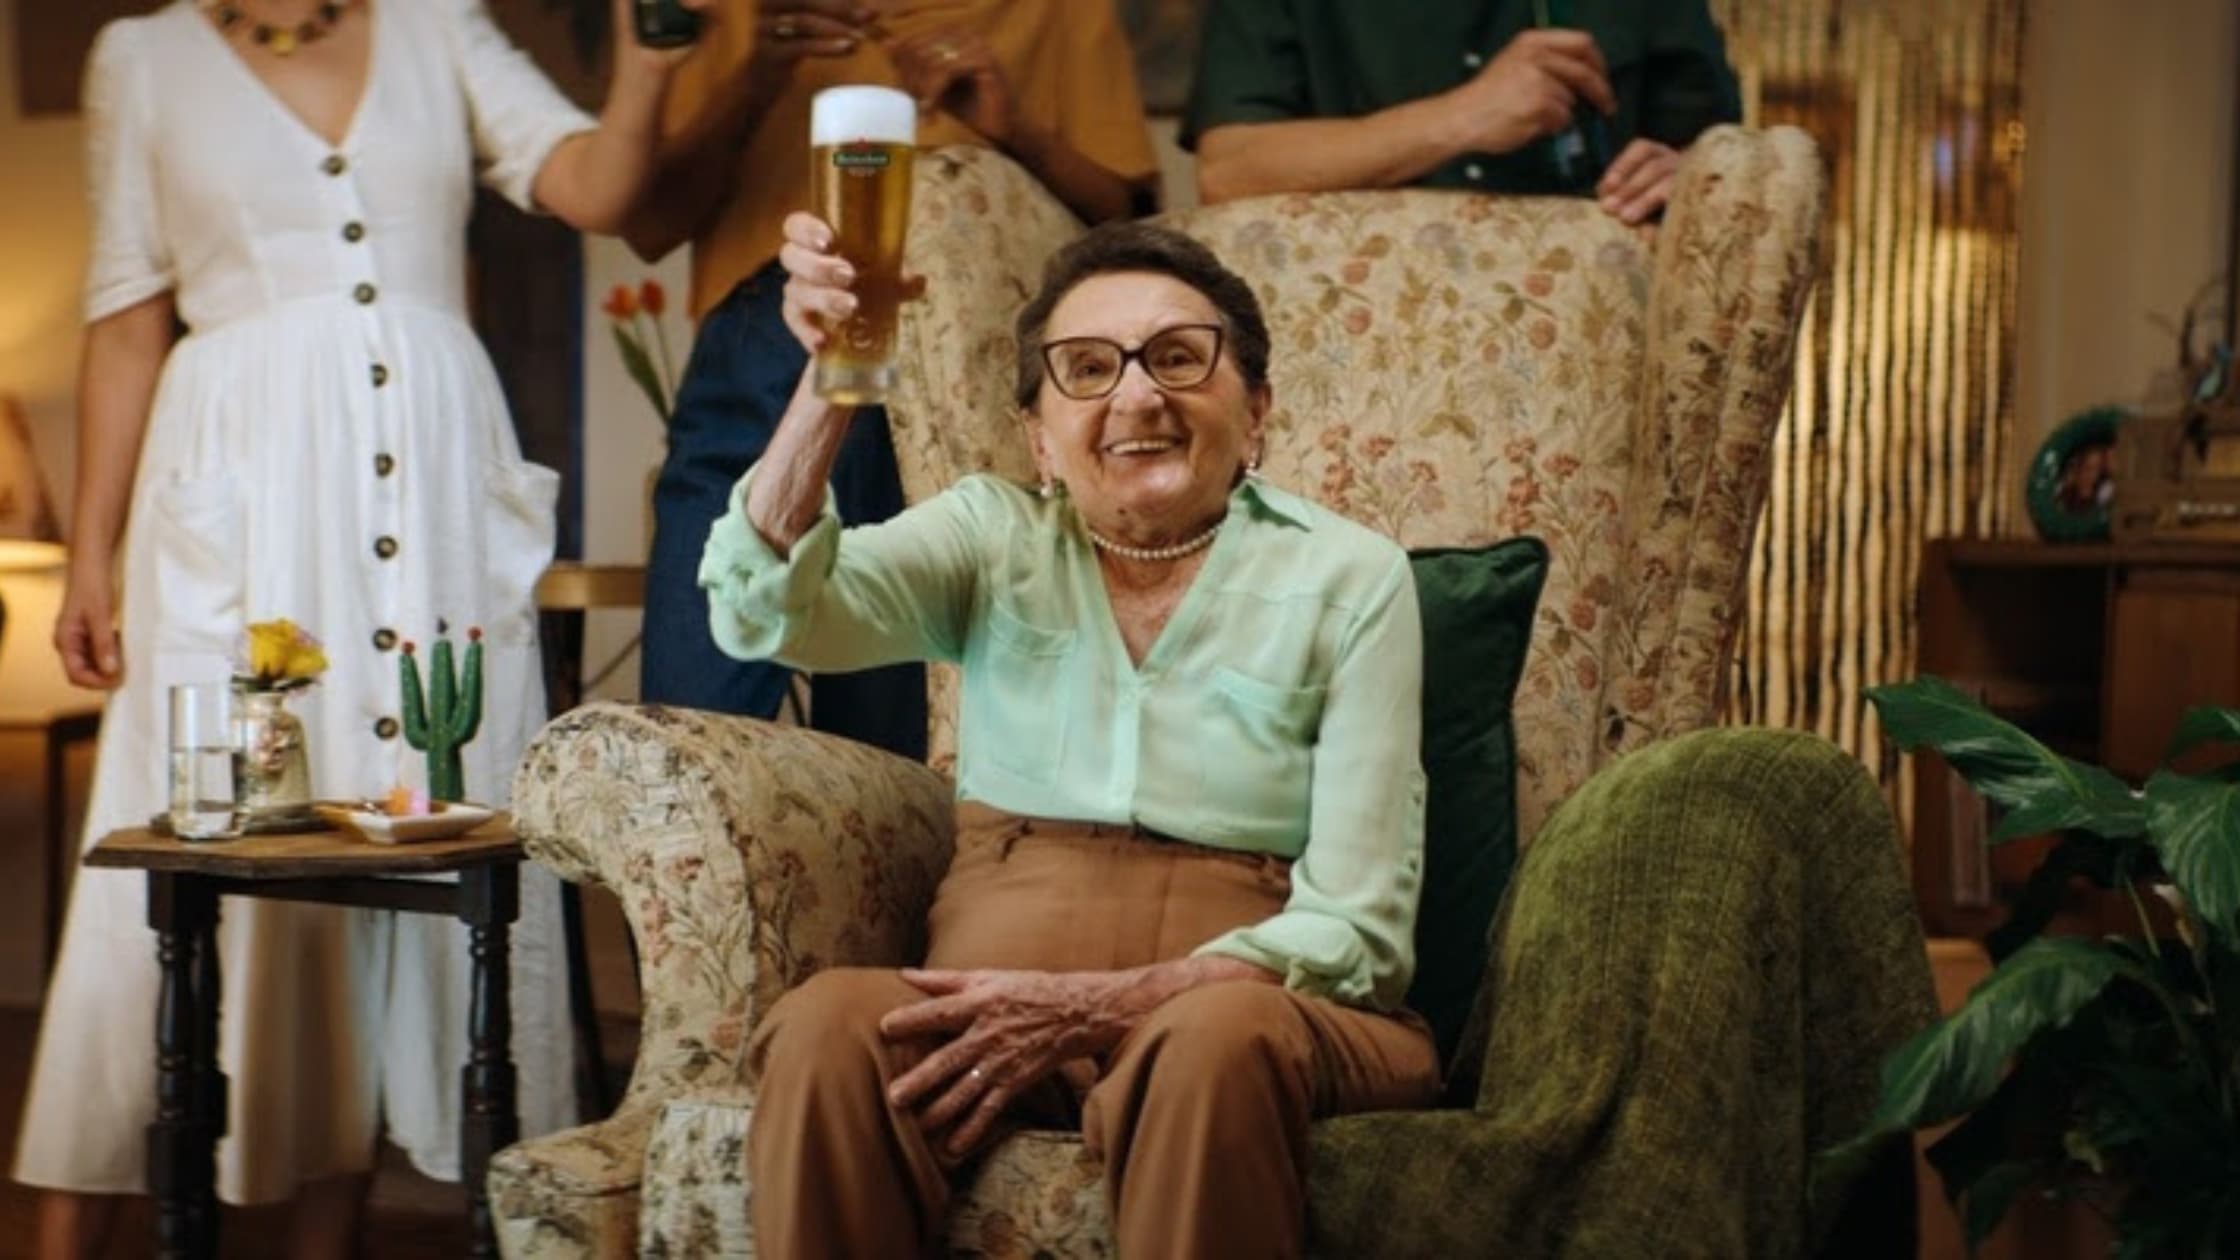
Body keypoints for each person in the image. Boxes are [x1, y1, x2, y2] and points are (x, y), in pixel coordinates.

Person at [18, 1, 706, 1255]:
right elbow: (125, 320)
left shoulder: (437, 22)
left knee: (426, 828)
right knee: (195, 839)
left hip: (432, 485)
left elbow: (596, 188)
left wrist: (651, 56)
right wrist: (92, 562)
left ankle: (324, 1239)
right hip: (243, 480)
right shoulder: (145, 57)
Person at [704, 216, 1438, 1258]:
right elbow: (766, 609)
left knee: (1211, 1041)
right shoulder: (987, 536)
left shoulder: (1350, 577)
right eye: (1088, 369)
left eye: (1178, 358)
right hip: (986, 999)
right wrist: (834, 374)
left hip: (1241, 1005)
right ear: (1040, 439)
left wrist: (1105, 1005)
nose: (1136, 396)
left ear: (1257, 411)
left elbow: (1360, 930)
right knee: (830, 1027)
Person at [625, 0, 1158, 759]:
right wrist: (753, 80)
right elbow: (649, 224)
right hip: (760, 325)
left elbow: (1132, 222)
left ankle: (898, 822)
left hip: (957, 345)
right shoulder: (745, 14)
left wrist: (1011, 127)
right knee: (690, 732)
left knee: (889, 725)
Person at [1183, 0, 1741, 224]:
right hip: (1361, 348)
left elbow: (1713, 157)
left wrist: (1689, 177)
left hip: (1601, 342)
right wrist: (1461, 118)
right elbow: (1229, 171)